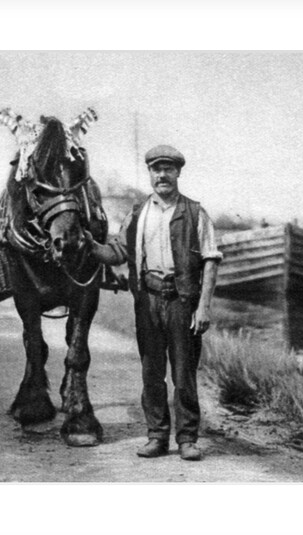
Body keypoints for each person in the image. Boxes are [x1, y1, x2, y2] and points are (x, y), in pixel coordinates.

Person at [87, 145, 222, 461]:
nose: (162, 175)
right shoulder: (137, 213)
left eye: (168, 169)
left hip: (181, 302)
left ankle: (187, 439)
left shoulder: (195, 212)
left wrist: (203, 307)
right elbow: (117, 253)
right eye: (156, 169)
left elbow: (211, 261)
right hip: (147, 301)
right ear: (149, 173)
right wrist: (87, 244)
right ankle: (157, 437)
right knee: (151, 374)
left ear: (178, 173)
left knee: (184, 374)